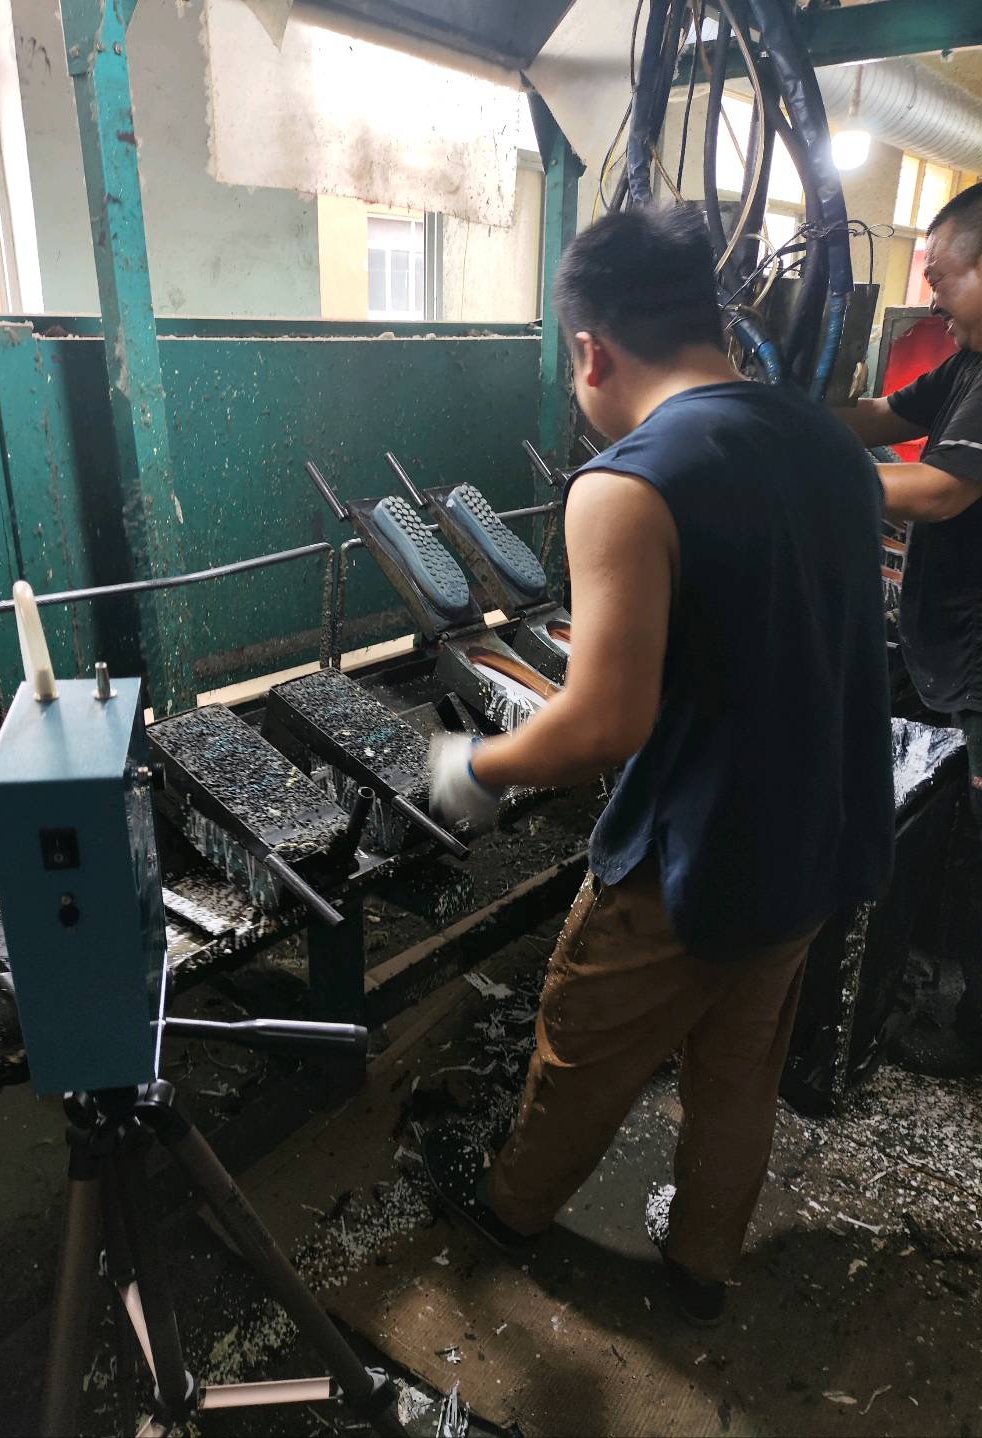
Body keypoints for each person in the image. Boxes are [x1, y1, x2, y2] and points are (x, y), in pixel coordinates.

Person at [424, 205, 894, 1327]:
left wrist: (478, 765)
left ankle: (510, 1212)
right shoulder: (833, 445)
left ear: (591, 352)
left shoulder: (627, 485)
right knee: (740, 1067)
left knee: (580, 1047)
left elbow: (603, 724)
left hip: (691, 858)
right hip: (816, 838)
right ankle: (701, 1261)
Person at [835, 181, 982, 1075]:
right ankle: (923, 955)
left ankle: (972, 1039)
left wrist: (794, 471)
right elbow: (882, 418)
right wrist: (779, 414)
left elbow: (938, 491)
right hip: (946, 646)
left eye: (942, 277)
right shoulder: (966, 365)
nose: (932, 298)